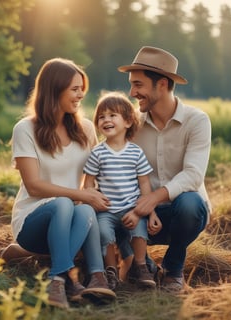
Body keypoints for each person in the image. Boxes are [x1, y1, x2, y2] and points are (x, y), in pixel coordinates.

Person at [9, 57, 116, 309]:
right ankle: (63, 278)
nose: (81, 95)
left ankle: (92, 277)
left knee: (84, 207)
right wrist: (80, 195)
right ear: (54, 89)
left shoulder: (86, 129)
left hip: (72, 219)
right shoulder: (25, 129)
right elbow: (34, 186)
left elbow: (95, 177)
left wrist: (98, 196)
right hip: (32, 220)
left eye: (82, 89)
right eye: (74, 89)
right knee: (65, 204)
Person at [117, 46, 212, 293]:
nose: (132, 92)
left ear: (161, 84)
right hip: (141, 216)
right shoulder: (131, 124)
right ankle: (144, 265)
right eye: (131, 85)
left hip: (183, 215)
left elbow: (193, 175)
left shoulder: (197, 121)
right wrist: (143, 207)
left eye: (138, 85)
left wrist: (154, 198)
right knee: (110, 207)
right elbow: (116, 170)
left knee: (190, 203)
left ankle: (173, 267)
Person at [83, 91, 162, 291]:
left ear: (127, 122)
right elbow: (88, 183)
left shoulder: (135, 152)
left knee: (139, 230)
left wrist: (147, 211)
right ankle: (111, 272)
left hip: (131, 209)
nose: (106, 120)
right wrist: (93, 200)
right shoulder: (97, 152)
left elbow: (145, 185)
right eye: (101, 117)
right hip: (106, 211)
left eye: (112, 115)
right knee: (103, 233)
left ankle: (141, 266)